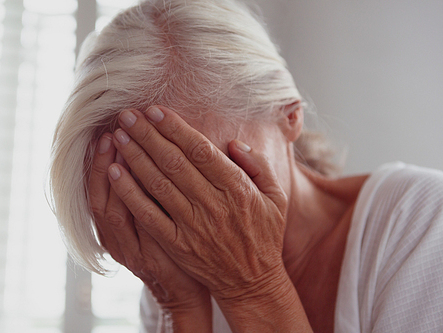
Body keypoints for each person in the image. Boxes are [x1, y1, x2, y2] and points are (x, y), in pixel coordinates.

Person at [49, 0, 443, 332]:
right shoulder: (170, 273)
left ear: (289, 115)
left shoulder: (423, 223)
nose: (187, 220)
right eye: (144, 194)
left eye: (202, 173)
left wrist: (253, 288)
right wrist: (180, 307)